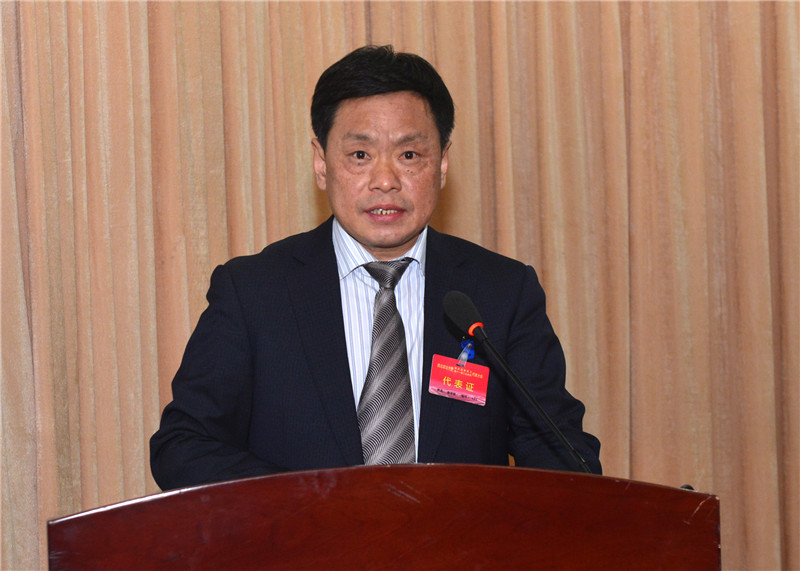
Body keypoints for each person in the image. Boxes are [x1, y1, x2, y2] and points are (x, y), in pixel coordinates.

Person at [150, 45, 601, 490]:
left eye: (409, 155)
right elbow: (183, 446)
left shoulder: (501, 292)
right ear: (321, 163)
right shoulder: (254, 292)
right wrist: (317, 505)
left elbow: (562, 455)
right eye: (360, 155)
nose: (385, 181)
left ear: (442, 163)